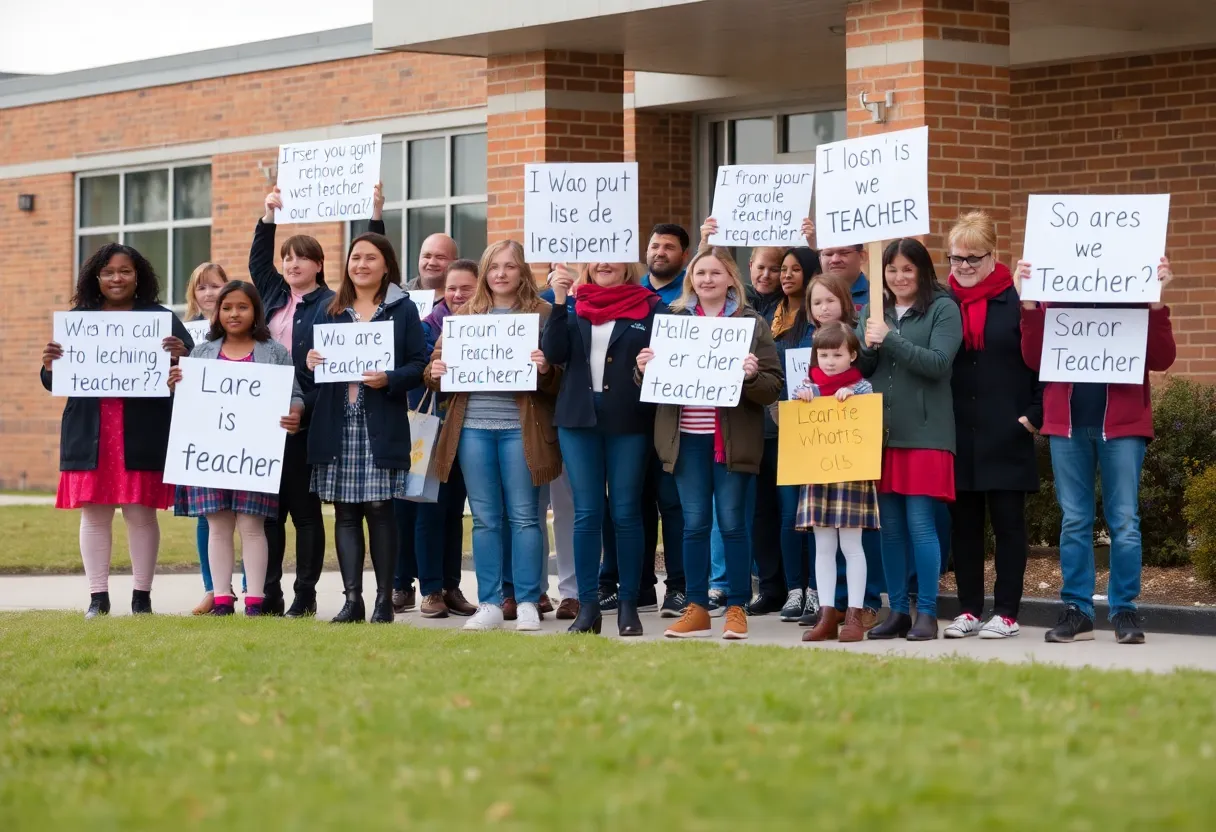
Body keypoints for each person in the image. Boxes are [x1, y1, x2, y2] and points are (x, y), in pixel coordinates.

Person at [1017, 258, 1176, 645]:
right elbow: (1034, 359)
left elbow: (1162, 358)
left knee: (1124, 521)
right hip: (1067, 424)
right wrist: (1028, 305)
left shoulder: (1135, 300)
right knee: (1074, 520)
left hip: (1121, 425)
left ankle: (1123, 609)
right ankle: (1078, 610)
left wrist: (1155, 301)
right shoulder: (1053, 300)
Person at [253, 186, 387, 617]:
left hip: (308, 417)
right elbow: (259, 261)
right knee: (267, 515)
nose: (292, 264)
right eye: (288, 257)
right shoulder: (272, 298)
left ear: (319, 265)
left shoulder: (334, 306)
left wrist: (374, 217)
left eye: (302, 257)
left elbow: (340, 367)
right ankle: (267, 592)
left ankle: (304, 595)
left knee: (305, 514)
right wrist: (268, 216)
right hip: (264, 418)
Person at [41, 243, 193, 618]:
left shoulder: (161, 319)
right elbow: (52, 382)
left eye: (124, 271)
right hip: (90, 428)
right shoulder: (79, 320)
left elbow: (194, 376)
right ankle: (98, 597)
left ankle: (142, 596)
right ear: (97, 277)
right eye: (108, 272)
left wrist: (182, 355)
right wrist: (49, 366)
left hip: (142, 427)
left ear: (137, 275)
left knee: (141, 513)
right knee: (94, 514)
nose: (116, 278)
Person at [641, 247, 783, 640]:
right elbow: (653, 387)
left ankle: (736, 607)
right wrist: (643, 371)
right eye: (700, 273)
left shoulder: (751, 324)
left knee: (734, 524)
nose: (707, 280)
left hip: (732, 444)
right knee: (694, 525)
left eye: (715, 273)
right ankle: (698, 608)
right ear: (691, 280)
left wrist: (753, 376)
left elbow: (773, 386)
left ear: (730, 279)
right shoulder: (672, 321)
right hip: (685, 441)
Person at [426, 240, 562, 632]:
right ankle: (488, 603)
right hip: (472, 430)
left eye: (510, 266)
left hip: (522, 430)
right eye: (494, 266)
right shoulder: (466, 314)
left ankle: (527, 601)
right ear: (485, 272)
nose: (501, 273)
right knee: (485, 520)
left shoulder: (543, 313)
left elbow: (560, 380)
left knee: (524, 517)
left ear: (522, 271)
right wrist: (434, 373)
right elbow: (435, 368)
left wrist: (546, 369)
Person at [305, 233, 428, 624]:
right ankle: (352, 600)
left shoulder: (402, 310)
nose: (360, 264)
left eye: (370, 258)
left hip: (381, 423)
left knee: (380, 510)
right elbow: (309, 367)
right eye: (355, 257)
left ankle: (382, 601)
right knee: (345, 513)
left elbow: (418, 365)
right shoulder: (330, 308)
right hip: (337, 424)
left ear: (386, 266)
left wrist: (388, 378)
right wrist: (310, 360)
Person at [169, 281, 304, 615]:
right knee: (218, 526)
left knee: (252, 526)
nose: (233, 313)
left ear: (255, 311)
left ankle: (255, 600)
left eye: (242, 307)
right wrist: (175, 386)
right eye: (227, 307)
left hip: (255, 455)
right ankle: (221, 598)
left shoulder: (274, 351)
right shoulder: (201, 352)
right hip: (209, 455)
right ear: (218, 312)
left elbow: (295, 394)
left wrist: (295, 414)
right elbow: (189, 404)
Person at [543, 260, 662, 636]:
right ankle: (588, 606)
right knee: (586, 513)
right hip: (578, 420)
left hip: (630, 420)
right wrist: (561, 298)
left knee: (626, 512)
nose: (604, 263)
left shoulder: (651, 306)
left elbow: (669, 360)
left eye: (612, 254)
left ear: (627, 262)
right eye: (596, 256)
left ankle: (629, 604)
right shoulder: (572, 305)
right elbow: (554, 352)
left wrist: (648, 366)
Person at [942, 212, 1042, 640]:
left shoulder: (1018, 299)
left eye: (972, 258)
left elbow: (1043, 358)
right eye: (955, 258)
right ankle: (968, 608)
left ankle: (1006, 611)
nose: (963, 266)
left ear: (993, 255)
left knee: (1008, 526)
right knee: (964, 527)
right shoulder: (941, 304)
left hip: (1007, 429)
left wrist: (1034, 415)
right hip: (958, 431)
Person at [858, 238, 963, 641]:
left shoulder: (942, 308)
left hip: (925, 433)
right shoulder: (874, 308)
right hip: (881, 434)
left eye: (907, 269)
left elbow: (937, 364)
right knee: (891, 529)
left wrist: (890, 337)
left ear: (921, 271)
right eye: (891, 270)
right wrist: (867, 345)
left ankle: (928, 612)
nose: (899, 277)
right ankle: (898, 610)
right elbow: (867, 366)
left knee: (921, 525)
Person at [794, 322, 878, 643]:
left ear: (852, 355)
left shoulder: (862, 387)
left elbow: (869, 418)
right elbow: (792, 419)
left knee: (852, 546)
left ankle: (854, 615)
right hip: (817, 474)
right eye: (823, 354)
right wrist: (802, 397)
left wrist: (852, 398)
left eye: (837, 354)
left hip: (851, 475)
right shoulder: (807, 385)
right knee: (823, 547)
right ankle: (827, 615)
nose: (829, 361)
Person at [752, 246, 820, 618]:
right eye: (784, 269)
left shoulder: (817, 318)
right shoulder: (765, 313)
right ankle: (774, 586)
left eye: (796, 269)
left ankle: (809, 587)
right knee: (766, 512)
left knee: (797, 511)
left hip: (802, 428)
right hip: (763, 425)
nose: (787, 275)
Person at [410, 259, 479, 618]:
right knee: (429, 511)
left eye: (465, 288)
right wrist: (432, 367)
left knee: (455, 512)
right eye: (451, 288)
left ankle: (452, 587)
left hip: (471, 428)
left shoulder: (493, 328)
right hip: (435, 430)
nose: (457, 295)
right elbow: (417, 373)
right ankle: (431, 590)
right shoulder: (427, 327)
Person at [181, 261, 238, 616]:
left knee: (247, 516)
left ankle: (250, 587)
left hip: (241, 428)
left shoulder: (244, 328)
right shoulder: (185, 333)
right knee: (208, 515)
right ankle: (214, 588)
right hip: (201, 431)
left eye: (215, 286)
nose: (208, 293)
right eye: (201, 287)